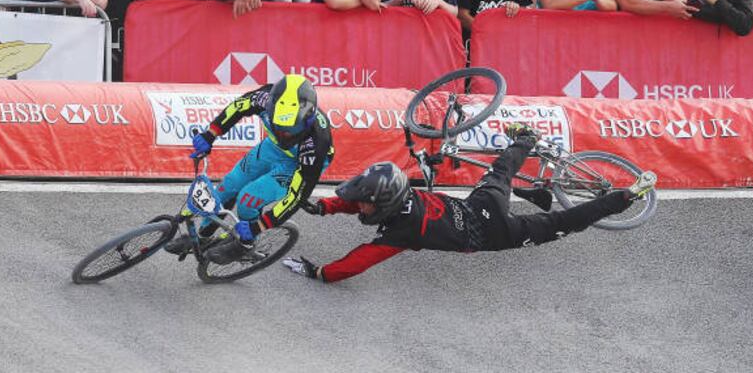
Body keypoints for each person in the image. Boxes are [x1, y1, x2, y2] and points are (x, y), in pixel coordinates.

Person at [280, 124, 657, 283]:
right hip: (481, 206)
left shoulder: (401, 230)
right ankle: (525, 139)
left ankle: (624, 197)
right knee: (500, 172)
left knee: (565, 221)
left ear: (383, 204)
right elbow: (364, 201)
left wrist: (321, 274)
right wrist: (327, 207)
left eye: (362, 205)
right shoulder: (398, 195)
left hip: (495, 232)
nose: (359, 207)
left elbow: (360, 259)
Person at [164, 74, 334, 263]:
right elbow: (237, 108)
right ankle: (203, 237)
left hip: (299, 163)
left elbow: (296, 197)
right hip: (272, 148)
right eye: (278, 127)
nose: (284, 134)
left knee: (248, 199)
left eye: (290, 131)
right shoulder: (263, 98)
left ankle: (246, 245)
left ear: (307, 120)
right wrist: (211, 134)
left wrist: (258, 227)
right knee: (227, 187)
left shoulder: (317, 143)